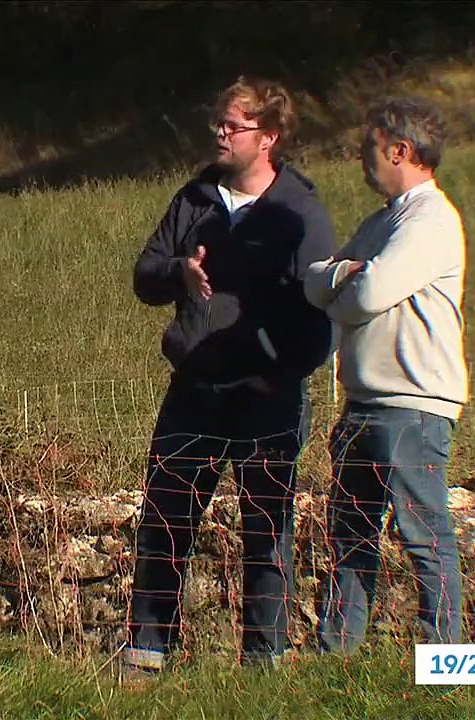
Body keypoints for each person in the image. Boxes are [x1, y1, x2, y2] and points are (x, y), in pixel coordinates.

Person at [122, 75, 336, 678]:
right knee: (167, 516)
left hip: (266, 395)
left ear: (267, 137)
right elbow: (145, 275)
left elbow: (320, 308)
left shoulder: (300, 212)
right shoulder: (192, 200)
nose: (219, 132)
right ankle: (146, 652)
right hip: (195, 387)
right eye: (217, 121)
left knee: (265, 526)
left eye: (233, 125)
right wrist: (179, 276)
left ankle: (263, 663)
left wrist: (282, 374)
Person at [303, 97, 468, 654]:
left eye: (368, 149)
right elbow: (315, 280)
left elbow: (363, 294)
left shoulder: (430, 219)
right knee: (350, 537)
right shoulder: (381, 224)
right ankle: (338, 656)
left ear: (399, 150)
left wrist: (344, 285)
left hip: (412, 405)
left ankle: (445, 661)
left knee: (424, 536)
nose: (360, 159)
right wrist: (343, 278)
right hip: (364, 403)